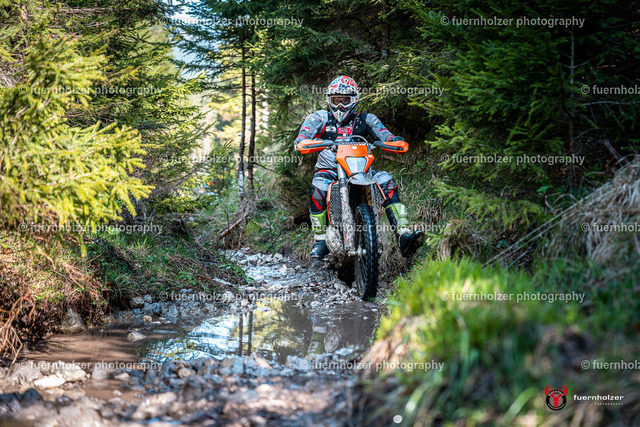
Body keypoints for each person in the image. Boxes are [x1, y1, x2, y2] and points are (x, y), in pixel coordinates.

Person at [295, 75, 424, 259]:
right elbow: (304, 135)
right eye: (336, 100)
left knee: (386, 180)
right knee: (318, 187)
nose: (340, 106)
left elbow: (385, 135)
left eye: (344, 100)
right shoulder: (319, 118)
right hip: (329, 171)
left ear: (354, 100)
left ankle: (403, 235)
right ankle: (320, 239)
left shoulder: (366, 119)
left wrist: (393, 140)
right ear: (329, 100)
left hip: (362, 171)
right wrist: (303, 140)